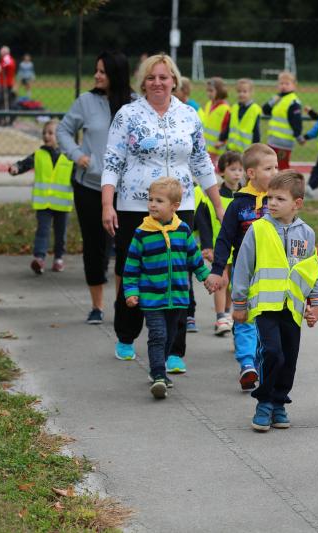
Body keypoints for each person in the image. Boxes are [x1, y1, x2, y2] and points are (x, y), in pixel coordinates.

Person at [102, 53, 225, 364]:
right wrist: (107, 204)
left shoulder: (188, 115)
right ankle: (126, 335)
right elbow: (112, 161)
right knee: (133, 269)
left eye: (163, 77)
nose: (157, 82)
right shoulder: (128, 114)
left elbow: (201, 162)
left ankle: (174, 349)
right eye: (151, 77)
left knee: (177, 274)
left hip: (180, 207)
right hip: (135, 207)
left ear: (174, 81)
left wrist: (217, 204)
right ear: (143, 82)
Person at [230, 171, 318, 431]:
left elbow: (311, 270)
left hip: (292, 308)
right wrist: (239, 302)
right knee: (272, 353)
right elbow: (243, 267)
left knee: (289, 358)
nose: (272, 203)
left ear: (297, 203)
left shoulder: (306, 233)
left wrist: (316, 302)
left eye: (280, 199)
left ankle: (279, 402)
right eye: (270, 197)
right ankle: (264, 402)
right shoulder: (258, 229)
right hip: (265, 307)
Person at [58, 51, 134, 325]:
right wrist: (78, 155)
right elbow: (63, 131)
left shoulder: (135, 104)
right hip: (89, 187)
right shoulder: (85, 102)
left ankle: (121, 303)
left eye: (102, 71)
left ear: (116, 73)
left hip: (125, 191)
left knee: (125, 248)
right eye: (96, 70)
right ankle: (96, 306)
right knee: (95, 247)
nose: (97, 76)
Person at [123, 177, 210, 399]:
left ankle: (159, 368)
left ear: (174, 206)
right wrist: (131, 291)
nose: (152, 204)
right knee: (158, 334)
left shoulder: (183, 230)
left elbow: (194, 258)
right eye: (150, 199)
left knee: (171, 335)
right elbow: (131, 266)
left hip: (178, 296)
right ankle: (159, 375)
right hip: (151, 297)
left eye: (159, 201)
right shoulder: (142, 233)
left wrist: (206, 277)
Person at [203, 143, 277, 390]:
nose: (275, 172)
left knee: (268, 319)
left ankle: (262, 361)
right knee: (244, 316)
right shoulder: (238, 205)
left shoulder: (278, 201)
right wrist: (217, 270)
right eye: (269, 168)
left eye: (276, 167)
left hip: (274, 274)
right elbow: (224, 239)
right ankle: (247, 364)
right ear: (252, 173)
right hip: (244, 272)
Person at [8, 119, 74, 275]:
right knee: (42, 232)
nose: (46, 136)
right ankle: (39, 259)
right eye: (44, 133)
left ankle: (58, 258)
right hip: (43, 203)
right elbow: (25, 164)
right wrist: (16, 168)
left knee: (60, 234)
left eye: (51, 133)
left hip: (62, 204)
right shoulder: (39, 154)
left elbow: (77, 178)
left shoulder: (70, 157)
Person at [195, 151, 244, 336]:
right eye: (233, 169)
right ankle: (221, 317)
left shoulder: (245, 197)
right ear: (222, 171)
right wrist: (207, 246)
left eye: (240, 169)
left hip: (238, 248)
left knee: (233, 284)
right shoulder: (212, 198)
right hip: (219, 247)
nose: (237, 173)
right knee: (222, 281)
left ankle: (228, 314)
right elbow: (204, 223)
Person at [263, 71, 304, 170]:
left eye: (287, 84)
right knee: (270, 165)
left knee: (282, 167)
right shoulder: (277, 99)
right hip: (273, 140)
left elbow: (296, 121)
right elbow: (265, 110)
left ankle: (286, 180)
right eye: (281, 83)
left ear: (294, 85)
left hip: (284, 143)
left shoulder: (293, 102)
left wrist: (298, 136)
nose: (283, 86)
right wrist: (273, 100)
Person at [221, 78, 262, 153]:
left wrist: (255, 148)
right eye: (239, 91)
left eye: (244, 91)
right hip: (231, 148)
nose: (241, 94)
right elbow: (228, 126)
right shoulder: (234, 107)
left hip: (246, 150)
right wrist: (221, 139)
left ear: (251, 93)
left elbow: (256, 132)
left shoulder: (255, 109)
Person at [201, 77, 231, 164]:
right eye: (207, 91)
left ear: (219, 91)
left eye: (211, 91)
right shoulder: (208, 104)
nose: (208, 93)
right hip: (206, 148)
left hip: (218, 150)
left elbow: (227, 128)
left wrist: (222, 142)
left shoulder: (225, 109)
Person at [0, 46, 16, 124]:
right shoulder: (5, 58)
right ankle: (3, 119)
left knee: (5, 102)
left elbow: (8, 65)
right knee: (5, 102)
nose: (0, 53)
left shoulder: (6, 58)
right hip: (6, 83)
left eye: (1, 52)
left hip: (7, 84)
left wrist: (3, 68)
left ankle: (5, 119)